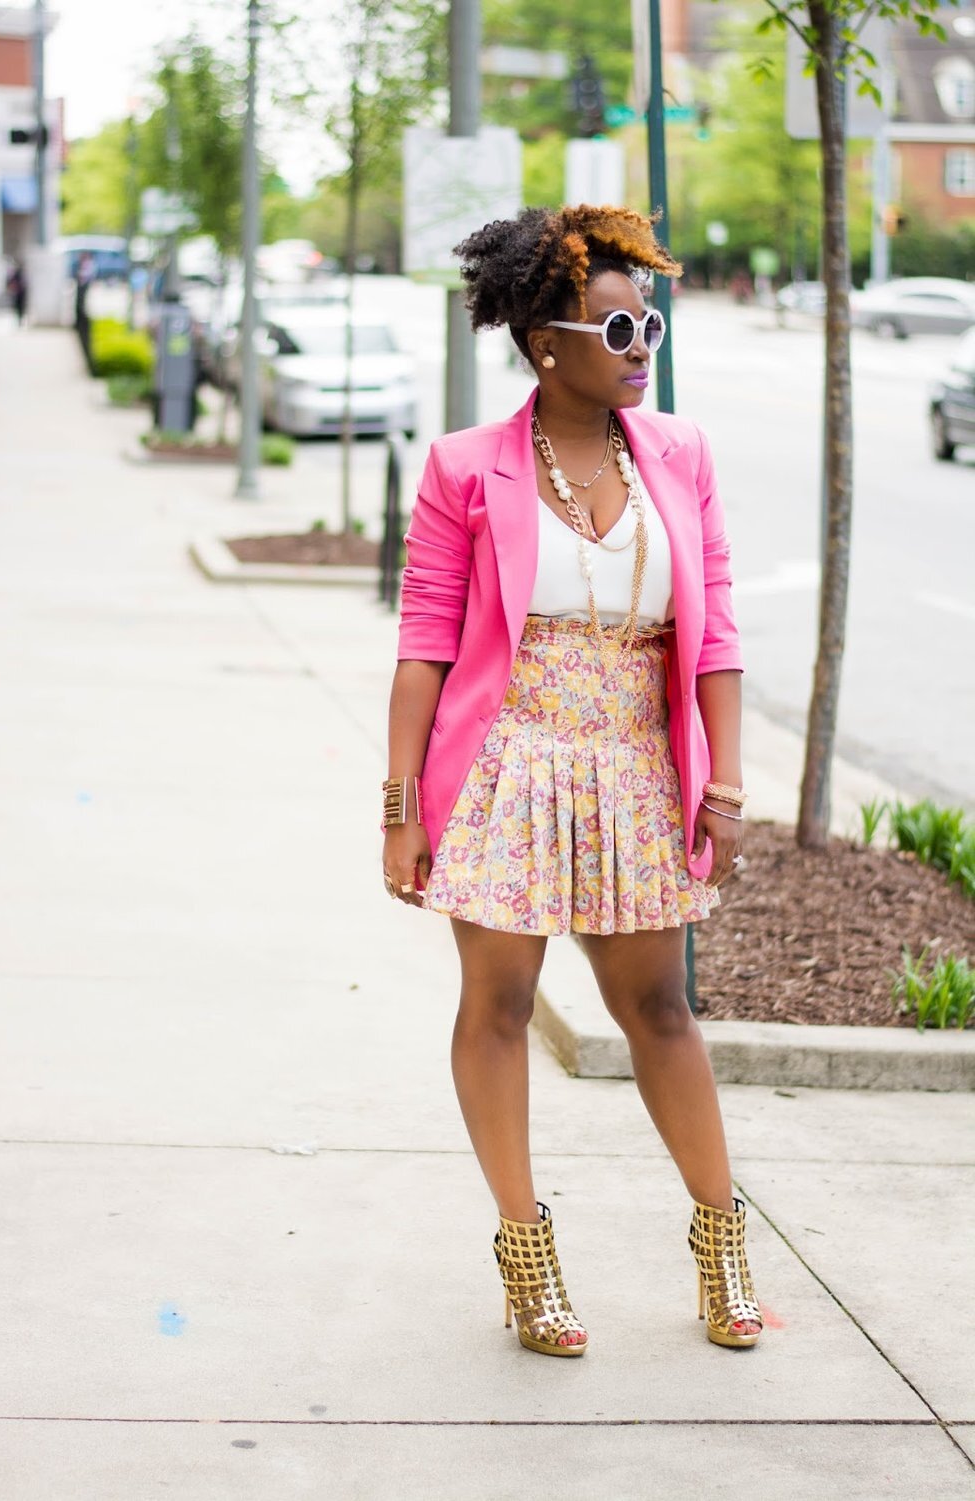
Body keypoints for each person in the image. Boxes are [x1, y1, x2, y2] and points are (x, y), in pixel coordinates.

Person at [382, 205, 761, 1359]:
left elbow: (715, 634)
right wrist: (399, 809)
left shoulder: (681, 456)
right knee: (495, 1008)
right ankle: (528, 1259)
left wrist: (727, 781)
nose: (641, 345)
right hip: (507, 762)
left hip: (638, 767)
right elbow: (424, 647)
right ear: (546, 343)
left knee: (658, 1011)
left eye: (649, 324)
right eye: (616, 327)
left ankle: (722, 1242)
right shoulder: (463, 468)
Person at [6, 260, 27, 325]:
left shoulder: (20, 274)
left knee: (20, 307)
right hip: (18, 293)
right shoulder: (16, 274)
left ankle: (20, 319)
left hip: (20, 293)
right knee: (18, 307)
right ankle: (19, 319)